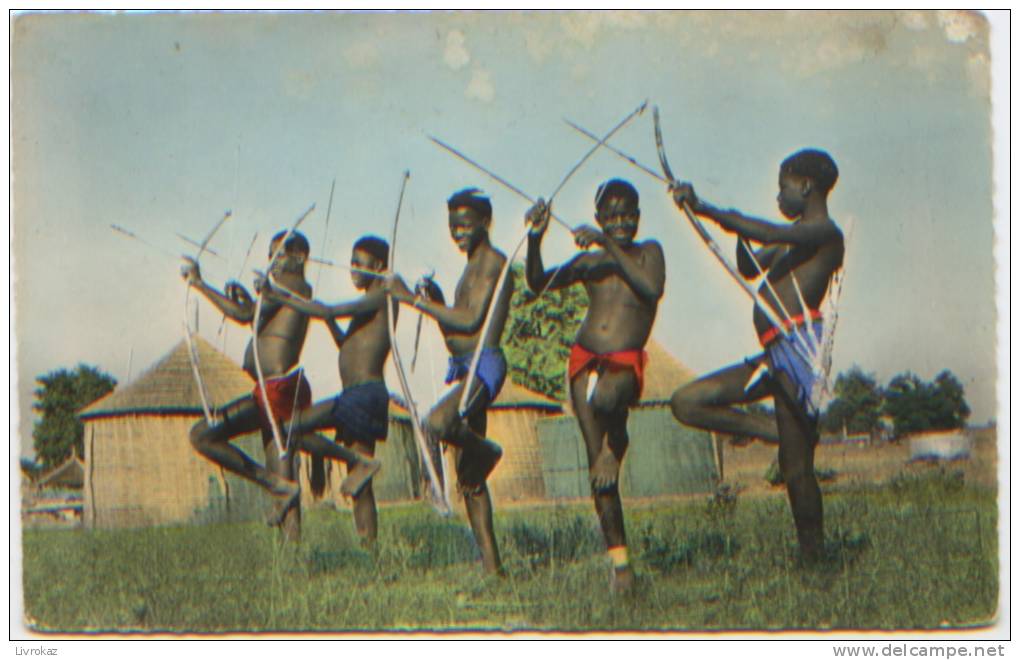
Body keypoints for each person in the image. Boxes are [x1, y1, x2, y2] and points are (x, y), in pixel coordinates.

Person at [668, 149, 844, 563]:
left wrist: (706, 208)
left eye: (783, 187)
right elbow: (749, 266)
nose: (778, 196)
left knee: (796, 468)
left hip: (798, 353)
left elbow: (767, 233)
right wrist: (724, 227)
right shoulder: (794, 239)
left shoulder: (823, 233)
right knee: (685, 402)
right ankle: (771, 431)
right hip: (772, 355)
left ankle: (815, 562)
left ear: (805, 186)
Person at [524, 179, 665, 593]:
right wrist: (537, 235)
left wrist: (606, 241)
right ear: (600, 216)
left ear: (638, 217)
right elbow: (537, 282)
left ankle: (614, 445)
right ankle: (620, 565)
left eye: (628, 215)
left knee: (608, 400)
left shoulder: (648, 253)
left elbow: (651, 288)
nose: (621, 222)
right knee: (597, 472)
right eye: (612, 217)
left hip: (623, 364)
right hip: (584, 358)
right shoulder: (590, 263)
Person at [387, 188, 509, 575]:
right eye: (453, 227)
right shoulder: (468, 269)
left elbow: (473, 323)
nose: (458, 233)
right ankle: (492, 569)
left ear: (486, 223)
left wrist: (412, 299)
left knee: (437, 423)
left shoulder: (492, 261)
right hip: (462, 365)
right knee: (470, 479)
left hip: (484, 365)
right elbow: (455, 332)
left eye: (466, 225)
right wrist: (437, 299)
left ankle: (488, 450)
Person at [182, 231, 323, 529]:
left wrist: (198, 283)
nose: (272, 262)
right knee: (284, 474)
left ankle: (270, 483)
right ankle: (291, 558)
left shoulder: (291, 282)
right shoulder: (290, 288)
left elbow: (244, 314)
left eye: (280, 254)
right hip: (276, 388)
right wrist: (249, 297)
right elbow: (258, 317)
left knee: (202, 435)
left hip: (277, 388)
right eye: (270, 255)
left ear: (299, 258)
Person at [266, 235, 395, 544]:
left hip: (363, 395)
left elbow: (329, 310)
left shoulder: (382, 295)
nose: (352, 269)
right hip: (360, 395)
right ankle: (370, 551)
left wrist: (279, 296)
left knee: (289, 428)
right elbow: (345, 342)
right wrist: (328, 322)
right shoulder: (369, 304)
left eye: (359, 263)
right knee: (360, 485)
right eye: (350, 262)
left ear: (378, 266)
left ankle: (348, 465)